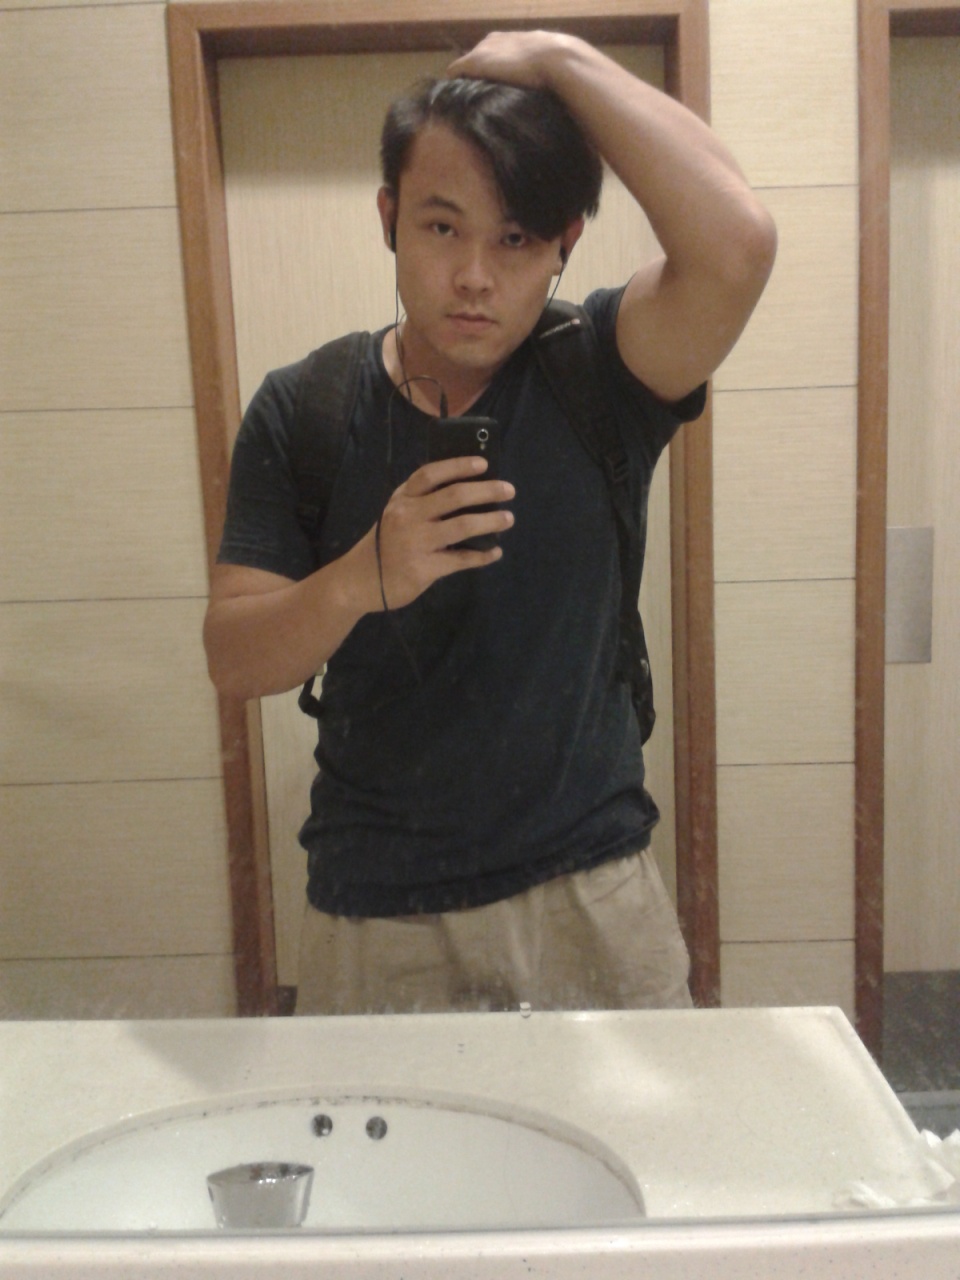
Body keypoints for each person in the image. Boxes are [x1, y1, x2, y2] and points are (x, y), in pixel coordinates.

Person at [204, 31, 777, 1016]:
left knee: (637, 1128)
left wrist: (556, 57)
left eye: (516, 239)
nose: (474, 275)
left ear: (564, 242)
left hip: (591, 890)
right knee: (380, 1132)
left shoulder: (605, 367)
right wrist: (359, 580)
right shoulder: (306, 406)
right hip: (375, 913)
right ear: (389, 218)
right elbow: (233, 658)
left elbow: (739, 243)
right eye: (442, 227)